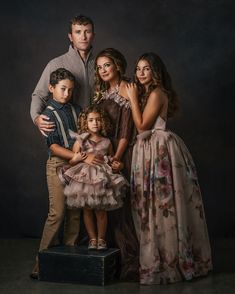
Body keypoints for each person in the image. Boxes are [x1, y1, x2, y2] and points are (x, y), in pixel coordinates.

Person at [126, 52, 213, 284]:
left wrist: (132, 98)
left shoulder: (156, 93)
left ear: (156, 72)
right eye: (138, 69)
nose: (140, 73)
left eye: (146, 69)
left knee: (163, 204)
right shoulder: (147, 93)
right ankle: (160, 255)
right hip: (146, 150)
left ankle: (169, 261)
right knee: (151, 203)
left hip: (158, 148)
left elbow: (143, 126)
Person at [30, 68, 82, 279]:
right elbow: (53, 146)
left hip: (76, 164)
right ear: (51, 88)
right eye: (62, 89)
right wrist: (72, 156)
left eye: (70, 90)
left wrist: (79, 150)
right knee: (57, 213)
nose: (66, 94)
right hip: (58, 165)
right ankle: (40, 264)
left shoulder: (76, 109)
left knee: (74, 212)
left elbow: (81, 134)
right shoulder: (48, 114)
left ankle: (68, 258)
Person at [93, 48, 139, 280]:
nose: (102, 70)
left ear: (117, 65)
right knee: (106, 207)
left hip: (122, 154)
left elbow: (125, 131)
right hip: (105, 153)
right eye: (99, 67)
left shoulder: (128, 88)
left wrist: (117, 158)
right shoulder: (102, 92)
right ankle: (113, 260)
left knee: (122, 208)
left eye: (106, 66)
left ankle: (131, 263)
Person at [58, 105, 128, 250]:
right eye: (91, 120)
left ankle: (101, 239)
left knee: (100, 210)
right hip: (85, 179)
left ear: (102, 122)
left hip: (101, 178)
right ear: (85, 122)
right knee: (87, 210)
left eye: (97, 120)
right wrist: (78, 158)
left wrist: (117, 165)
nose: (95, 123)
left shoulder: (107, 142)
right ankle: (92, 239)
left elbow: (110, 159)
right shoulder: (80, 140)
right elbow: (72, 161)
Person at [30, 14, 95, 136]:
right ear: (70, 37)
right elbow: (39, 94)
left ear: (93, 36)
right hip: (67, 132)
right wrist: (36, 118)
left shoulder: (101, 65)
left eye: (88, 31)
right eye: (78, 32)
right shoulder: (56, 63)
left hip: (97, 133)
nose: (83, 36)